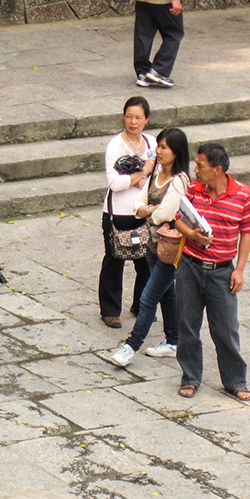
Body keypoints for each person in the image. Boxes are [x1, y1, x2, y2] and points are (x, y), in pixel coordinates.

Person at [174, 144, 250, 401]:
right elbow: (179, 218)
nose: (195, 170)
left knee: (226, 328)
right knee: (188, 325)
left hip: (221, 271)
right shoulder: (194, 190)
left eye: (200, 166)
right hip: (190, 266)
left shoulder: (242, 194)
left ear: (218, 169)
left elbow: (247, 232)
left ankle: (235, 381)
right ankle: (190, 376)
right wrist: (191, 234)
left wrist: (240, 270)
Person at [110, 128, 190, 367]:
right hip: (153, 245)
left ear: (176, 152)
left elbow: (165, 213)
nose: (159, 151)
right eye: (160, 146)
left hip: (169, 248)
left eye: (165, 147)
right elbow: (138, 204)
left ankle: (131, 346)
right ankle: (173, 341)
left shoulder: (180, 180)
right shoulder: (157, 173)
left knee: (148, 298)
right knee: (166, 295)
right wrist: (149, 210)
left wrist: (149, 211)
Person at [98, 97, 156, 329]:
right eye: (129, 116)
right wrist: (142, 173)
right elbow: (115, 183)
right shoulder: (115, 145)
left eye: (138, 117)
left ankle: (142, 305)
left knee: (146, 261)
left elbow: (157, 176)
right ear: (123, 117)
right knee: (115, 258)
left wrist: (137, 179)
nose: (133, 122)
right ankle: (110, 310)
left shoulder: (152, 142)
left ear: (146, 119)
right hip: (118, 211)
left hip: (145, 211)